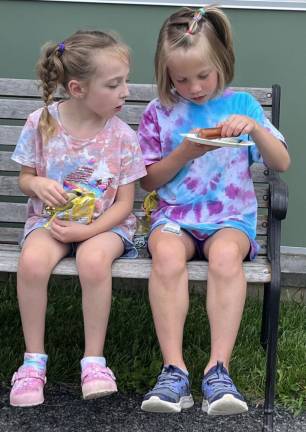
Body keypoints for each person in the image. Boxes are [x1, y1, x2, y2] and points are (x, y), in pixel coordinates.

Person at [138, 5, 290, 416]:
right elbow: (148, 181)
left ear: (222, 63)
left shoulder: (241, 105)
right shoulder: (159, 113)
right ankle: (174, 371)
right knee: (166, 254)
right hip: (175, 217)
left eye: (203, 75)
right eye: (181, 78)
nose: (194, 87)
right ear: (166, 72)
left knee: (225, 257)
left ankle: (218, 370)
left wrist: (256, 128)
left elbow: (281, 162)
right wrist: (184, 152)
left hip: (230, 219)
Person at [9, 30, 146, 407]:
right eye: (114, 84)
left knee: (92, 259)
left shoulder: (122, 137)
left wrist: (88, 230)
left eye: (125, 81)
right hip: (51, 223)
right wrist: (37, 184)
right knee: (33, 262)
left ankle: (94, 361)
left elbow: (124, 205)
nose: (126, 91)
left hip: (106, 225)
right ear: (78, 88)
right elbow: (24, 179)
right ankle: (33, 362)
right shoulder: (42, 123)